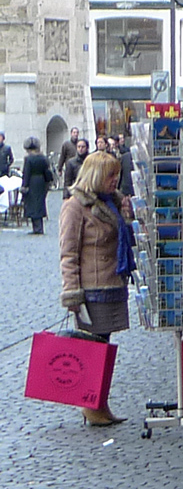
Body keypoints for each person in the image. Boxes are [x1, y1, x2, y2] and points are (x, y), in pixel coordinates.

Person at [58, 151, 137, 427]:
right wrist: (72, 293)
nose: (115, 180)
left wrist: (127, 219)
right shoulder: (76, 206)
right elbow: (68, 253)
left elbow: (123, 239)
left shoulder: (112, 202)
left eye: (117, 174)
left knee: (103, 347)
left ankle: (99, 402)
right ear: (95, 176)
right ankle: (91, 404)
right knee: (94, 348)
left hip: (111, 283)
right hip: (93, 289)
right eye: (110, 175)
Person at [21, 137, 53, 234]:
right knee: (39, 204)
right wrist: (48, 181)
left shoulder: (28, 159)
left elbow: (26, 173)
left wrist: (24, 185)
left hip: (32, 182)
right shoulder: (43, 158)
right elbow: (47, 171)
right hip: (41, 182)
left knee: (32, 205)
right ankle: (39, 227)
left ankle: (37, 228)